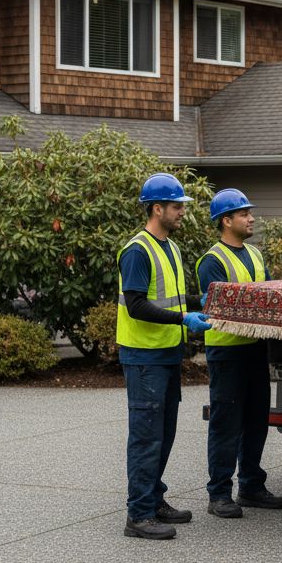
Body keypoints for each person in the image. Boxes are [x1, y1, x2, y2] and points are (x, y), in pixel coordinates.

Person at [117, 173, 212, 541]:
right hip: (143, 357)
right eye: (177, 206)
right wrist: (183, 318)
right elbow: (138, 305)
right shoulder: (138, 250)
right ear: (157, 209)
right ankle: (138, 515)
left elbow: (167, 298)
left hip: (166, 354)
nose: (182, 212)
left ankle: (153, 499)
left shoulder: (169, 247)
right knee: (146, 436)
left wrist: (195, 303)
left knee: (164, 433)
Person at [196, 188, 282, 519]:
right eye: (244, 213)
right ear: (226, 220)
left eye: (250, 212)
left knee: (256, 419)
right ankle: (219, 493)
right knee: (226, 424)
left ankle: (250, 486)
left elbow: (270, 296)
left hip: (255, 351)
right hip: (227, 353)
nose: (251, 218)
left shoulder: (256, 255)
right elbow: (225, 306)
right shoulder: (212, 261)